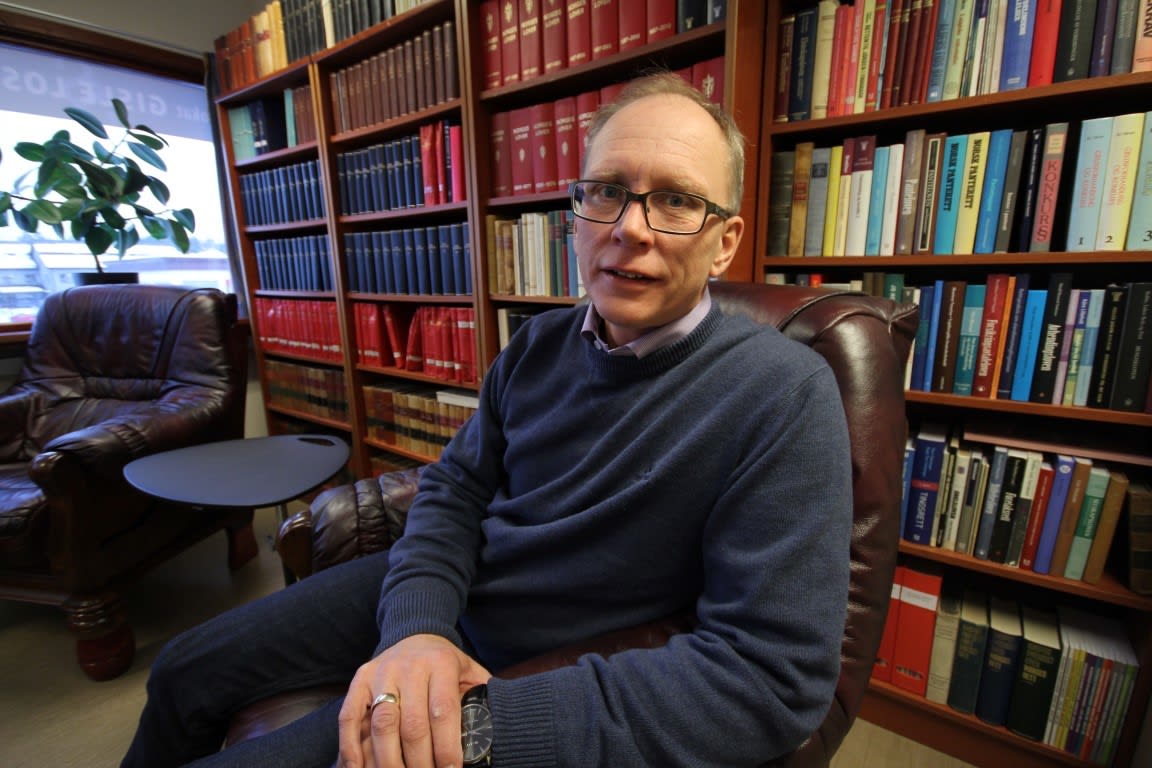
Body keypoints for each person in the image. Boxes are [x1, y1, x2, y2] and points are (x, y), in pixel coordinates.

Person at [121, 72, 853, 768]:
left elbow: (772, 678)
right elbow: (456, 489)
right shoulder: (537, 344)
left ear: (725, 242)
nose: (630, 228)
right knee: (182, 669)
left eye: (677, 201)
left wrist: (482, 728)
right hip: (451, 589)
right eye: (607, 191)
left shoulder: (783, 395)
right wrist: (416, 629)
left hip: (540, 660)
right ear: (576, 215)